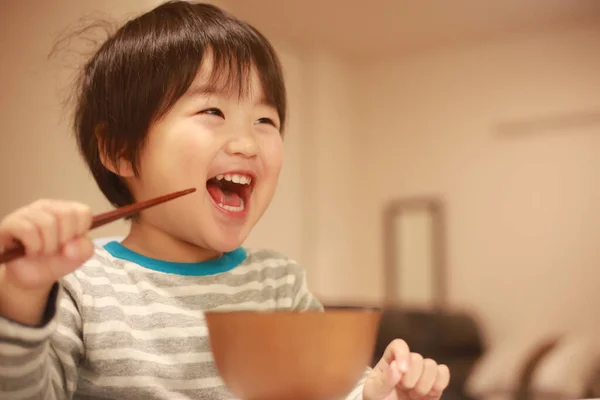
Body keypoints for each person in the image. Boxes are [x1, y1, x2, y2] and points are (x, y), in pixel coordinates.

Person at [0, 2, 450, 399]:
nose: (248, 144)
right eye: (213, 111)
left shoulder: (279, 285)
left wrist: (378, 394)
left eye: (264, 119)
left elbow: (326, 390)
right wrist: (20, 296)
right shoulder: (78, 284)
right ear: (120, 150)